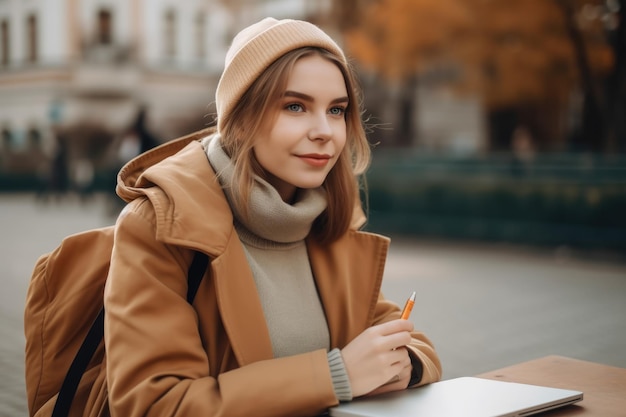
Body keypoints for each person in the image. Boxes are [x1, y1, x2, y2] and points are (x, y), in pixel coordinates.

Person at [104, 17, 442, 417]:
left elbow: (415, 344)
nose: (325, 131)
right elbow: (152, 404)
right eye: (295, 106)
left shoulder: (329, 219)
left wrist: (405, 365)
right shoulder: (159, 224)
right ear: (241, 118)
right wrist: (337, 377)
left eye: (337, 110)